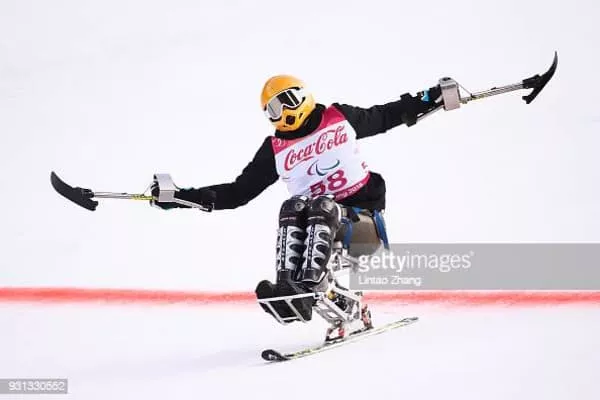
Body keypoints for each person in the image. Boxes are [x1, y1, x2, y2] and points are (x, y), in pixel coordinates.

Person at [151, 75, 441, 323]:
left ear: (302, 96)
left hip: (363, 227)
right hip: (319, 229)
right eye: (272, 110)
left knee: (322, 204)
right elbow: (238, 192)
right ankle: (290, 288)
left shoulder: (338, 118)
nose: (281, 114)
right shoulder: (275, 148)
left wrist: (433, 97)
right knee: (293, 206)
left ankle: (307, 287)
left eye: (285, 102)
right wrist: (179, 197)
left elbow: (386, 115)